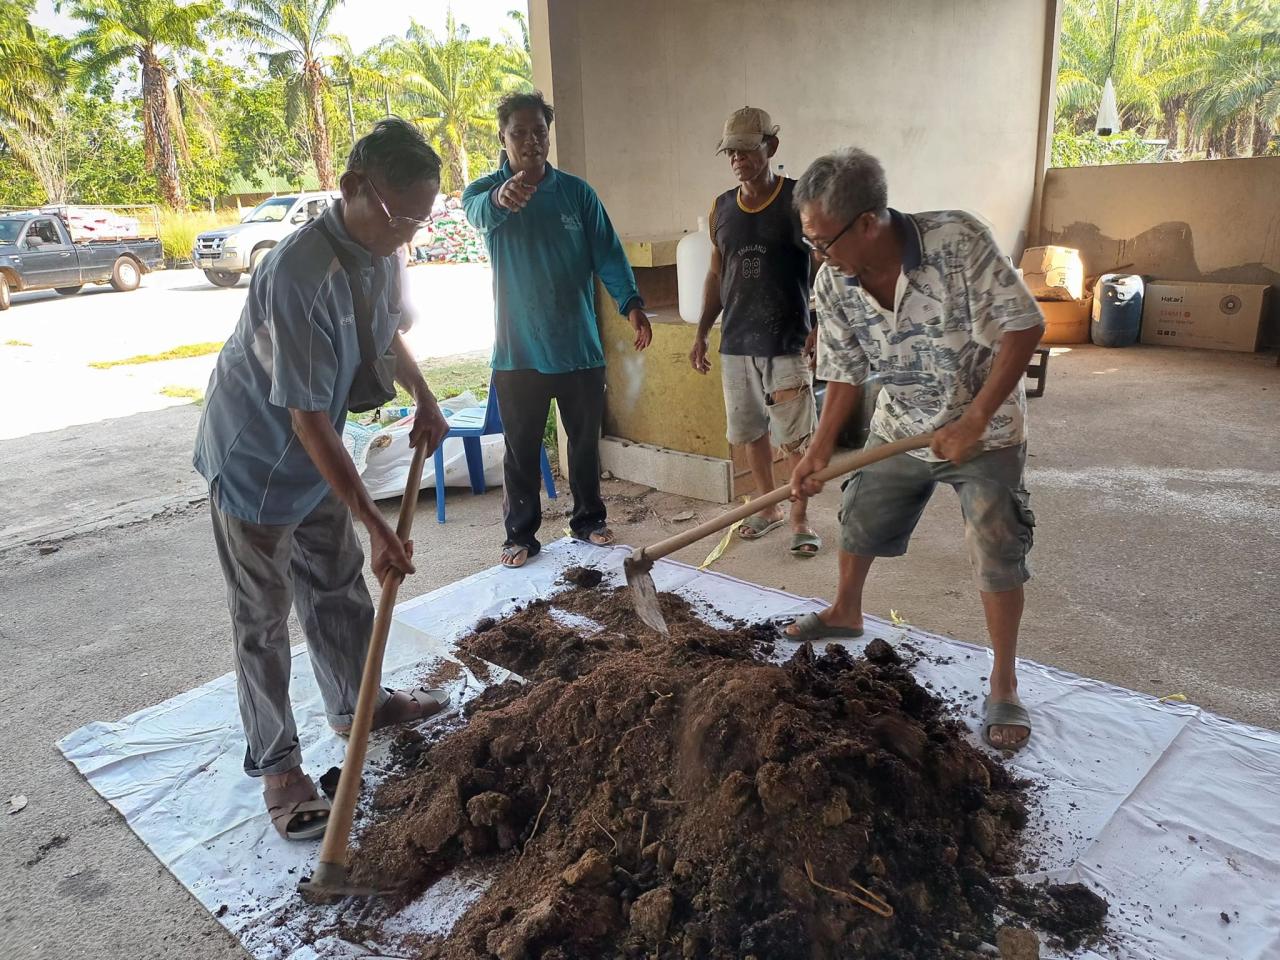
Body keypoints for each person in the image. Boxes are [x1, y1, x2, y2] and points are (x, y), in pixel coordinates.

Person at [193, 119, 453, 840]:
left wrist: (426, 397)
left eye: (420, 222)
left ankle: (356, 706)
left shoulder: (379, 253)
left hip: (316, 459)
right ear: (352, 190)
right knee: (262, 619)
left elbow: (386, 333)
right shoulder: (297, 273)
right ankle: (279, 767)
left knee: (337, 588)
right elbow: (305, 418)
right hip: (256, 462)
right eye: (403, 217)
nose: (409, 236)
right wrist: (375, 522)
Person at [786, 147, 1045, 751]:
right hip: (901, 423)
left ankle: (1003, 679)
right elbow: (845, 370)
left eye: (823, 240)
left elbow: (1025, 325)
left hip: (984, 427)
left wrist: (976, 418)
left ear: (869, 223)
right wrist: (819, 448)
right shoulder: (835, 281)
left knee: (997, 541)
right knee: (860, 512)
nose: (817, 254)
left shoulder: (958, 241)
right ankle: (846, 609)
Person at [463, 91, 652, 569]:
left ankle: (588, 519)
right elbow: (478, 214)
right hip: (517, 352)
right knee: (521, 450)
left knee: (585, 442)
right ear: (502, 137)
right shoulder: (485, 193)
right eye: (519, 133)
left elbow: (608, 253)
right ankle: (520, 536)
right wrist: (501, 199)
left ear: (549, 136)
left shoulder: (577, 194)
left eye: (539, 132)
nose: (531, 142)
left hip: (578, 348)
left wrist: (631, 304)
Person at [689, 106, 819, 557]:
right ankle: (768, 507)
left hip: (785, 340)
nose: (739, 158)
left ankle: (800, 515)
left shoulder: (798, 199)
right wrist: (703, 331)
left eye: (748, 148)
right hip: (737, 341)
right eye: (732, 151)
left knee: (795, 437)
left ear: (771, 147)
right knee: (749, 432)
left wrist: (818, 327)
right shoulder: (721, 207)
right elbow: (715, 275)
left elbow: (823, 264)